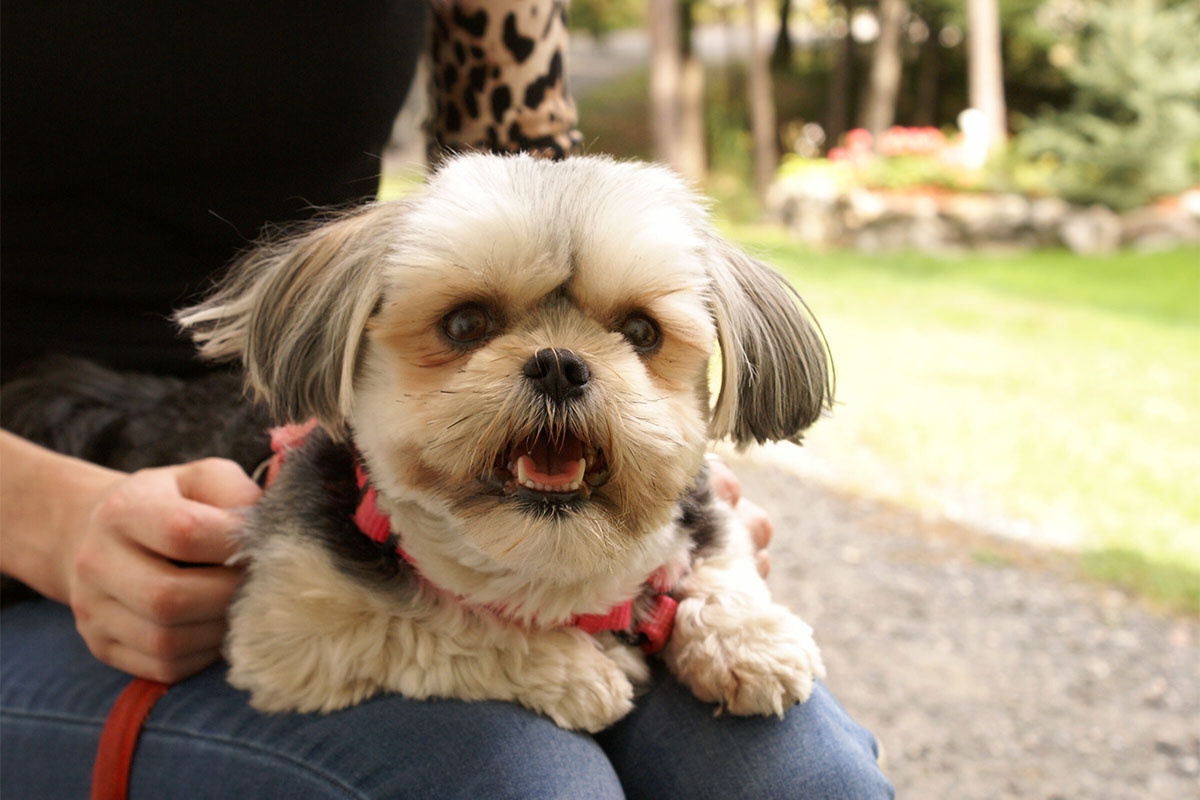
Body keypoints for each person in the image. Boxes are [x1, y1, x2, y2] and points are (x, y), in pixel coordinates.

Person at [0, 2, 893, 797]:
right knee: (525, 783)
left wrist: (682, 518)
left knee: (807, 780)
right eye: (469, 324)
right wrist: (46, 520)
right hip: (54, 508)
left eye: (639, 332)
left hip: (374, 406)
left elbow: (530, 189)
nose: (561, 366)